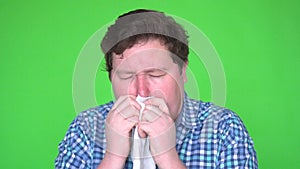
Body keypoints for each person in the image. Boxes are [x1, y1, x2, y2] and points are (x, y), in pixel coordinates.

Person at [55, 9, 258, 169]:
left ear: (183, 70)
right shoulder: (84, 128)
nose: (141, 91)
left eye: (155, 74)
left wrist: (168, 159)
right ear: (110, 77)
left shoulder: (225, 129)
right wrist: (113, 158)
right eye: (126, 76)